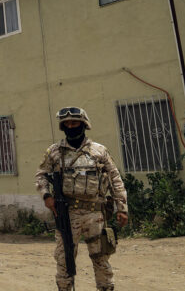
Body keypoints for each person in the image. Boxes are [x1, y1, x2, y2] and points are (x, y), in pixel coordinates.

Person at [35, 107, 128, 291]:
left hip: (95, 214)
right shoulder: (54, 152)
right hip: (67, 214)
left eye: (75, 122)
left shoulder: (99, 151)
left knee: (100, 258)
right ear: (63, 126)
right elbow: (41, 175)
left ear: (83, 124)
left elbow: (115, 179)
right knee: (64, 260)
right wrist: (46, 195)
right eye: (67, 123)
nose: (71, 126)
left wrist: (122, 208)